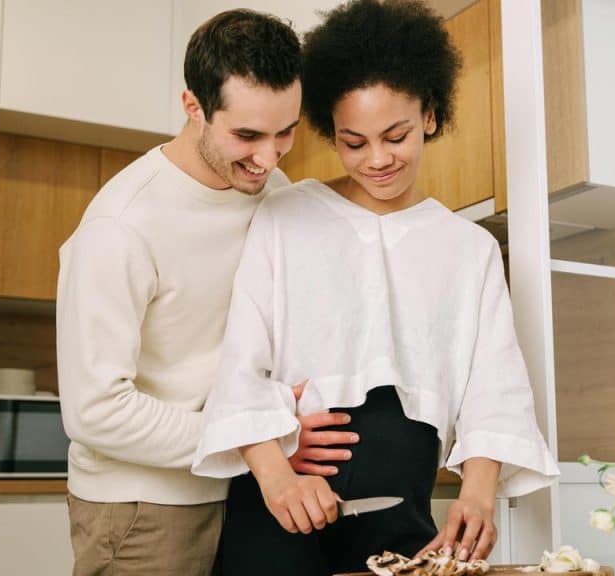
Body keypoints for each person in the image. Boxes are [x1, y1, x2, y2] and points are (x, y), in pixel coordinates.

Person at [192, 1, 559, 574]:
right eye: (354, 142)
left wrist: (478, 494)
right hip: (280, 511)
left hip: (403, 519)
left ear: (430, 116)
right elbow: (239, 370)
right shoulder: (285, 217)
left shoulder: (469, 249)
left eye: (396, 135)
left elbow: (495, 388)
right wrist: (276, 477)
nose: (378, 159)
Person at [56, 10, 355, 575]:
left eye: (285, 131)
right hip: (145, 507)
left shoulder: (270, 187)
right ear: (193, 106)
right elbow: (95, 411)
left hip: (241, 492)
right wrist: (260, 438)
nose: (269, 157)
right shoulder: (121, 227)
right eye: (247, 135)